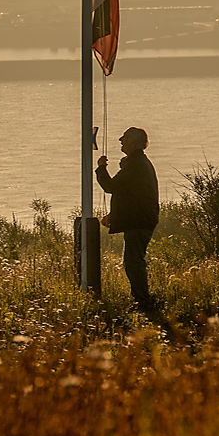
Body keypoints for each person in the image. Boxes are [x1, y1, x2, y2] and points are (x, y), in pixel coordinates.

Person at [96, 127, 160, 312]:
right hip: (140, 219)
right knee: (133, 261)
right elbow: (131, 195)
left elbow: (111, 186)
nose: (120, 140)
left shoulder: (136, 164)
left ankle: (143, 301)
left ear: (133, 142)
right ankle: (142, 299)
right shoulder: (136, 163)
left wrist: (101, 168)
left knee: (133, 262)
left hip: (139, 221)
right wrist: (114, 216)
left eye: (124, 138)